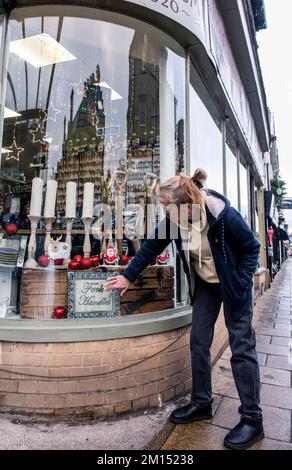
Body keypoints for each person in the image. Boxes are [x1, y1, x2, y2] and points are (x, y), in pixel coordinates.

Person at [105, 170, 263, 450]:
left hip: (232, 285)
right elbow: (151, 246)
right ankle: (201, 403)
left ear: (187, 206)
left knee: (242, 346)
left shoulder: (222, 215)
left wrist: (240, 282)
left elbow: (252, 248)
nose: (166, 214)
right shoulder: (175, 219)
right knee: (199, 342)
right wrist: (128, 276)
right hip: (205, 285)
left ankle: (252, 419)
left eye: (168, 208)